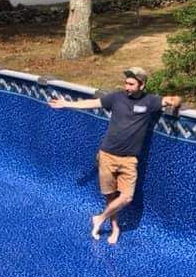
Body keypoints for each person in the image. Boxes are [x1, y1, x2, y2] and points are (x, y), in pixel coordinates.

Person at [49, 67, 181, 244]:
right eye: (126, 83)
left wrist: (176, 102)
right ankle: (115, 228)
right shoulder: (116, 98)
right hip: (107, 155)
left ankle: (99, 218)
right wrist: (67, 104)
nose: (126, 86)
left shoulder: (150, 102)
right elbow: (93, 103)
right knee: (111, 196)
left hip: (129, 160)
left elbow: (173, 99)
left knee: (126, 197)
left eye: (131, 84)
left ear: (142, 85)